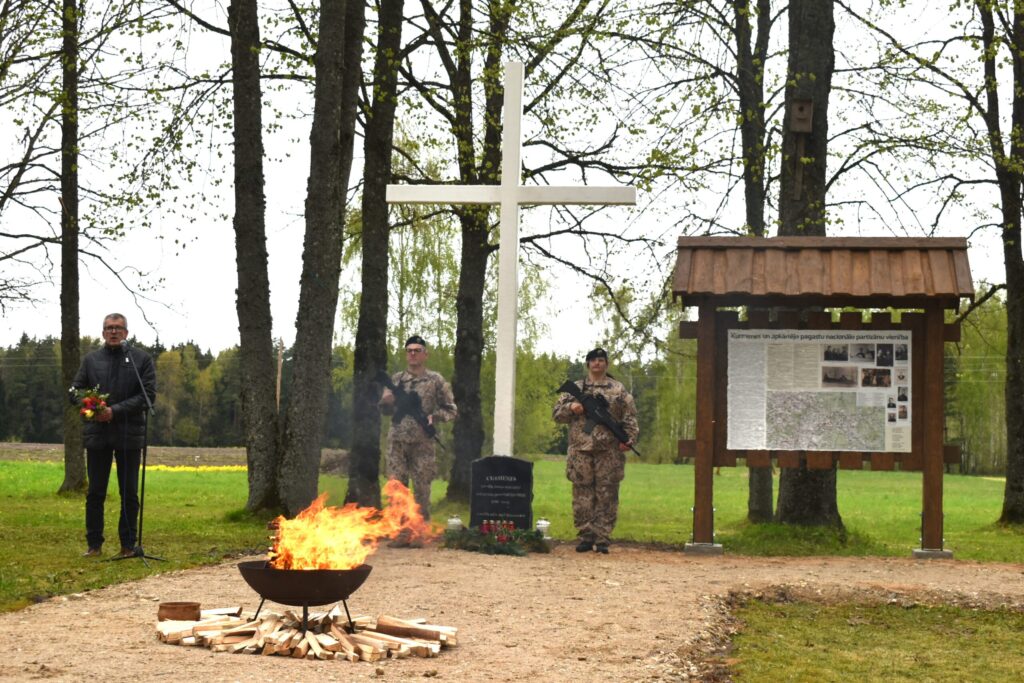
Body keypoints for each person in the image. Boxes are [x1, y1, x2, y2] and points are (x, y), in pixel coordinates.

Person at [69, 314, 156, 558]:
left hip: (129, 436)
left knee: (128, 492)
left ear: (127, 333)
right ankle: (94, 545)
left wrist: (114, 411)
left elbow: (147, 396)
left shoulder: (141, 360)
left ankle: (128, 545)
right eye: (109, 328)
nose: (113, 332)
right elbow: (75, 390)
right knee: (96, 492)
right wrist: (91, 406)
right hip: (98, 435)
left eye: (118, 328)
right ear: (103, 332)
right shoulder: (91, 360)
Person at [553, 347, 638, 554]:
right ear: (588, 364)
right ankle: (585, 536)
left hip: (609, 451)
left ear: (606, 364)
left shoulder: (618, 390)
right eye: (593, 360)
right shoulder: (576, 388)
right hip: (580, 450)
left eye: (601, 360)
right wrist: (571, 408)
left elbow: (630, 419)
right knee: (582, 494)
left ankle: (602, 539)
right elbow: (556, 415)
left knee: (607, 494)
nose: (597, 364)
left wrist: (629, 439)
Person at [378, 335, 457, 526]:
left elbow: (451, 409)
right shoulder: (396, 380)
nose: (413, 354)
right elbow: (385, 410)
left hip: (423, 444)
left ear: (425, 354)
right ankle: (400, 531)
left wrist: (434, 417)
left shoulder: (435, 380)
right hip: (397, 442)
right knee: (397, 488)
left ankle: (419, 532)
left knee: (422, 490)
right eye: (409, 351)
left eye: (417, 350)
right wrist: (386, 402)